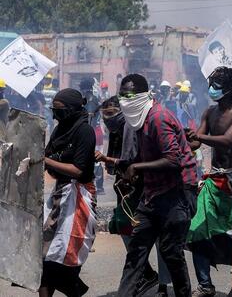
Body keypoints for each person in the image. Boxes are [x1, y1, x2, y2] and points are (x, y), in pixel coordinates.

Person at [116, 74, 200, 297]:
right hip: (154, 191)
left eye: (130, 94)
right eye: (122, 94)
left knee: (171, 251)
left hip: (178, 191)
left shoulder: (158, 118)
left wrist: (138, 168)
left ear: (144, 95)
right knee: (137, 249)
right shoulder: (138, 118)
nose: (125, 99)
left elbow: (173, 161)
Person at [94, 96, 170, 297]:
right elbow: (118, 166)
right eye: (105, 115)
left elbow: (137, 160)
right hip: (126, 190)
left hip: (149, 188)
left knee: (159, 237)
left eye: (111, 114)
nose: (108, 118)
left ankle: (162, 284)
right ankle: (146, 273)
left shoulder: (135, 127)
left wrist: (113, 163)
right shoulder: (117, 131)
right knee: (126, 229)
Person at [186, 67, 232, 297]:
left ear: (231, 88)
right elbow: (194, 144)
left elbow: (228, 140)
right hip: (213, 179)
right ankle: (205, 284)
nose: (212, 88)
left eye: (217, 84)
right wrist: (184, 136)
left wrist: (196, 137)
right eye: (211, 83)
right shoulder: (209, 112)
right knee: (197, 228)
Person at [41, 89, 97, 297]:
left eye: (60, 111)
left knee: (65, 262)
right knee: (45, 260)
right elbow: (47, 155)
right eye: (53, 111)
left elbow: (78, 170)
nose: (56, 116)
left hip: (79, 196)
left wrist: (46, 161)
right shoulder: (59, 130)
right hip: (60, 194)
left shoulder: (84, 131)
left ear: (72, 110)